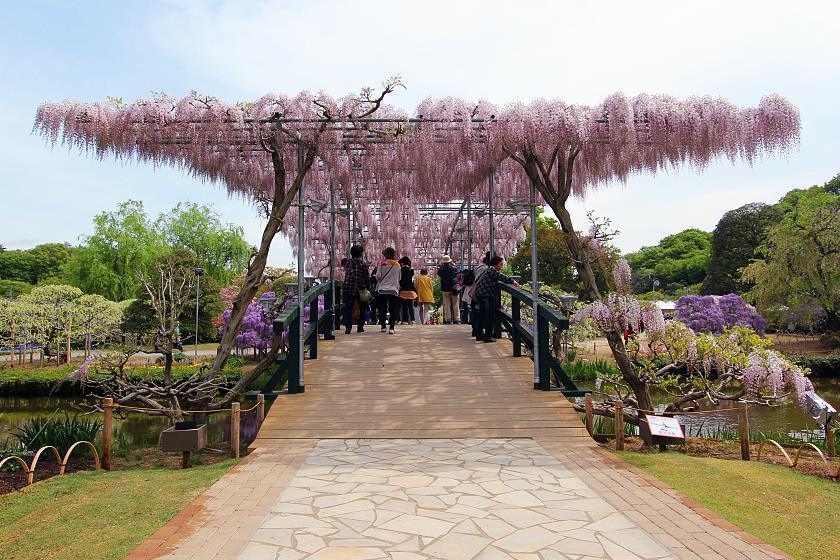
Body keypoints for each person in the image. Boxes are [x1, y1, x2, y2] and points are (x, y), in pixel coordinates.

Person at [474, 255, 519, 342]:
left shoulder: (489, 270)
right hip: (486, 294)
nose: (501, 266)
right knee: (490, 316)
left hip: (480, 293)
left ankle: (479, 335)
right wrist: (513, 281)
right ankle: (488, 336)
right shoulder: (493, 270)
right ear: (496, 264)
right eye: (500, 264)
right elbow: (502, 277)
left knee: (482, 315)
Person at [341, 245, 370, 334]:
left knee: (348, 308)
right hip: (360, 289)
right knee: (363, 308)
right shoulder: (363, 264)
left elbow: (343, 267)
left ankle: (348, 327)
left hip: (348, 288)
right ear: (361, 254)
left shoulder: (348, 263)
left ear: (351, 253)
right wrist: (368, 288)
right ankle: (360, 327)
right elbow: (366, 278)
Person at [375, 247, 401, 334]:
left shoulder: (382, 263)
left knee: (382, 308)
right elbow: (399, 278)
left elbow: (378, 277)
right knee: (392, 309)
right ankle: (392, 328)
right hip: (393, 290)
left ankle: (383, 326)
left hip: (382, 290)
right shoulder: (397, 265)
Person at [467, 253, 491, 339]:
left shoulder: (479, 266)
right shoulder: (484, 269)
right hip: (479, 292)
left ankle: (476, 331)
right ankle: (477, 331)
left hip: (476, 292)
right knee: (477, 312)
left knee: (475, 311)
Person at [437, 255, 460, 324]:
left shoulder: (441, 269)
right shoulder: (454, 268)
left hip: (445, 289)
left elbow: (439, 273)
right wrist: (454, 264)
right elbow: (458, 271)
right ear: (449, 261)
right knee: (455, 304)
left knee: (447, 305)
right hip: (454, 288)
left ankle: (448, 319)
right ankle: (457, 319)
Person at [398, 256, 417, 324]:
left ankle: (404, 320)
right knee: (410, 305)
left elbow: (399, 280)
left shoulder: (400, 270)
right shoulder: (411, 271)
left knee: (404, 305)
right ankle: (413, 319)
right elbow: (411, 281)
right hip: (409, 290)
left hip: (402, 290)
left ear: (402, 263)